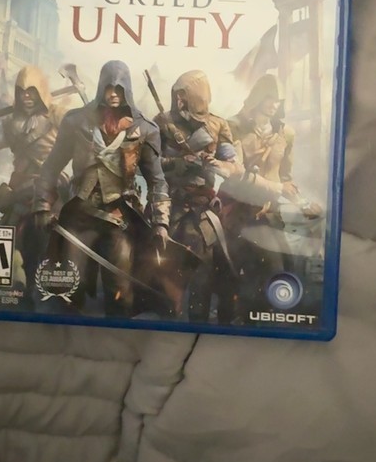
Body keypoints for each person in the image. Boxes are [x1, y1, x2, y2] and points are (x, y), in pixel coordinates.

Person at [33, 61, 170, 317]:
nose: (113, 93)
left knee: (120, 292)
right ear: (101, 87)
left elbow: (157, 180)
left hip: (120, 220)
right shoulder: (76, 122)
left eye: (119, 88)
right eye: (109, 87)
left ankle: (118, 335)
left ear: (127, 89)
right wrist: (42, 204)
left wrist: (161, 222)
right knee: (67, 288)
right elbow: (51, 167)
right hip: (79, 217)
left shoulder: (144, 129)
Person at [0, 65, 61, 308]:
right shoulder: (10, 123)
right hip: (19, 189)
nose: (26, 96)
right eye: (21, 91)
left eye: (31, 91)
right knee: (3, 237)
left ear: (41, 91)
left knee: (47, 240)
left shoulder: (58, 116)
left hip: (51, 189)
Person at [154, 70, 242, 324]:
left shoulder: (218, 125)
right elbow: (147, 163)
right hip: (168, 206)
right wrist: (178, 163)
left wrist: (218, 165)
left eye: (184, 96)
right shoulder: (162, 122)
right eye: (177, 96)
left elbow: (235, 166)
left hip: (202, 211)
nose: (179, 101)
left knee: (204, 275)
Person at [220, 74, 298, 314]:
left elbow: (285, 176)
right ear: (259, 98)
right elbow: (236, 174)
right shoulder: (233, 127)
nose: (274, 104)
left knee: (289, 268)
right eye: (269, 98)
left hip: (270, 213)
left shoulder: (286, 134)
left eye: (277, 100)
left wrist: (297, 196)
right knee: (239, 274)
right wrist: (277, 188)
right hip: (239, 211)